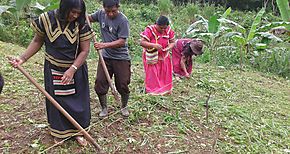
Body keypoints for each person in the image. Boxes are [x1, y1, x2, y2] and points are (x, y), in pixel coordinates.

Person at [10, 0, 93, 146]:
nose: (74, 15)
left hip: (76, 69)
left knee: (79, 102)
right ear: (64, 7)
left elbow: (85, 50)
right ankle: (59, 132)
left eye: (78, 13)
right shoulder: (46, 19)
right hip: (53, 68)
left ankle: (79, 131)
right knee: (56, 102)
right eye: (72, 11)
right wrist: (22, 58)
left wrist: (72, 69)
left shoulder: (81, 23)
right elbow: (37, 41)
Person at [88, 0, 131, 117]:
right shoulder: (100, 14)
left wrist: (104, 45)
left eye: (114, 11)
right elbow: (89, 18)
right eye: (108, 11)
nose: (111, 14)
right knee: (100, 82)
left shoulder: (123, 20)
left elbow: (122, 41)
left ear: (118, 7)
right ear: (103, 8)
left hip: (121, 57)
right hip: (106, 57)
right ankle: (104, 108)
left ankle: (124, 106)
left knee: (122, 83)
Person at [140, 15, 175, 95]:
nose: (163, 30)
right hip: (152, 56)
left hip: (164, 56)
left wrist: (168, 47)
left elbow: (172, 42)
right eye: (161, 28)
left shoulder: (168, 30)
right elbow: (142, 42)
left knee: (164, 74)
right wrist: (154, 45)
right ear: (156, 24)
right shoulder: (150, 30)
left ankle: (164, 89)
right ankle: (153, 91)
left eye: (164, 28)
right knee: (153, 74)